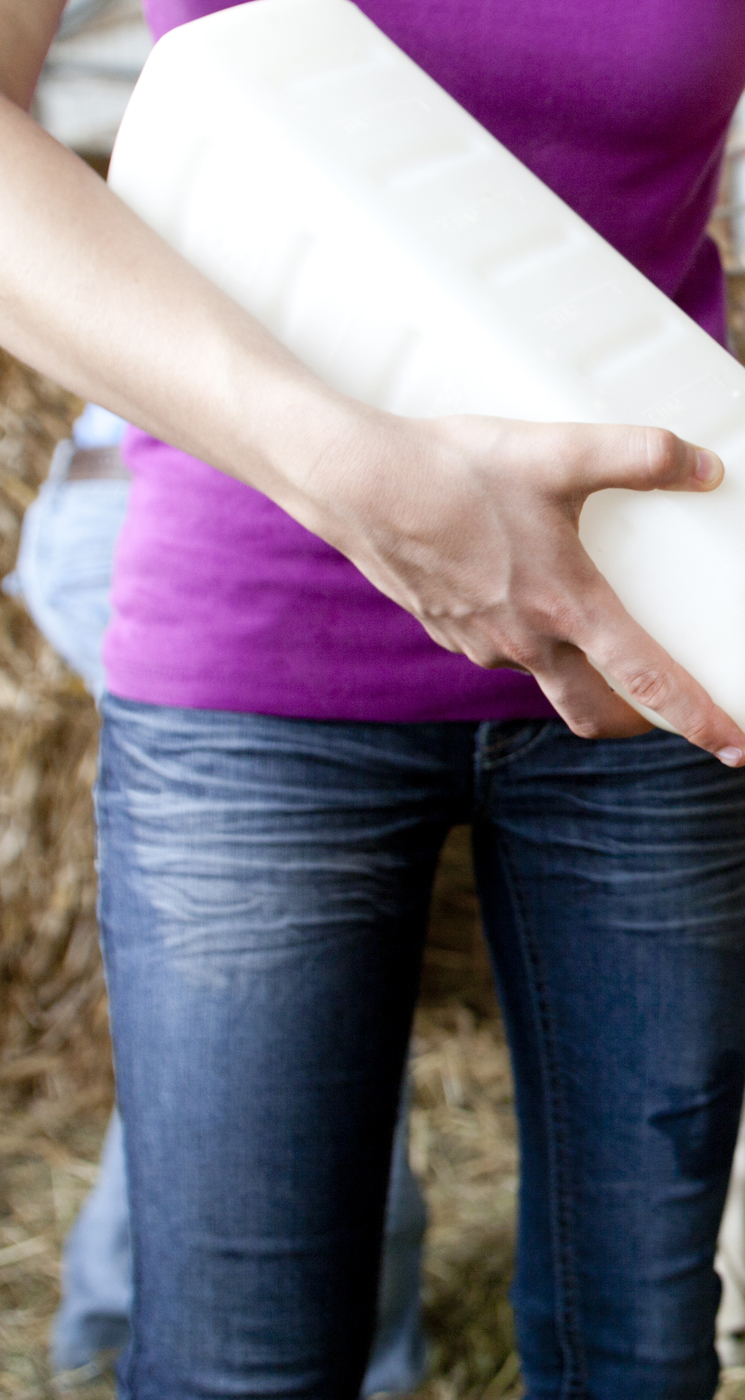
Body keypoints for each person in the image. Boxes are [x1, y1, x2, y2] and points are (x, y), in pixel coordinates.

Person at [0, 0, 745, 1394]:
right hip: (259, 666)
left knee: (641, 1353)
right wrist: (354, 475)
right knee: (245, 1362)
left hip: (670, 664)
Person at [6, 404, 427, 1384]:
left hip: (120, 498)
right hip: (209, 521)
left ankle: (117, 1307)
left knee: (267, 972)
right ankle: (360, 1344)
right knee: (304, 966)